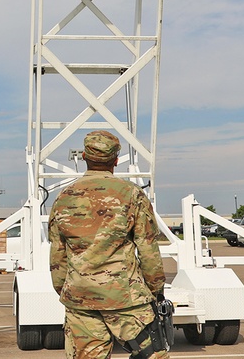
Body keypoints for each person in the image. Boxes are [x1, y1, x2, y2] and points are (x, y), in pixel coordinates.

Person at [48, 130, 168, 359]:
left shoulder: (63, 197)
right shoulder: (131, 194)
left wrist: (69, 290)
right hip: (126, 299)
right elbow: (148, 248)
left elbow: (58, 255)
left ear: (84, 156)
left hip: (80, 299)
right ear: (115, 160)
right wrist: (156, 290)